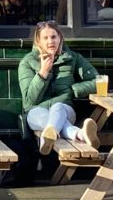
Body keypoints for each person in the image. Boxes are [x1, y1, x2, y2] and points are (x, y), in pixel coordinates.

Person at [18, 20, 102, 155]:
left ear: (60, 38)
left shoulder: (73, 58)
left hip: (65, 110)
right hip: (36, 112)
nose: (50, 41)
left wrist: (74, 89)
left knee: (57, 107)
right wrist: (42, 73)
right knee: (50, 120)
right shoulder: (27, 62)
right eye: (45, 38)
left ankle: (49, 136)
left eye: (53, 37)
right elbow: (29, 101)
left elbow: (97, 81)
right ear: (38, 41)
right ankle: (80, 134)